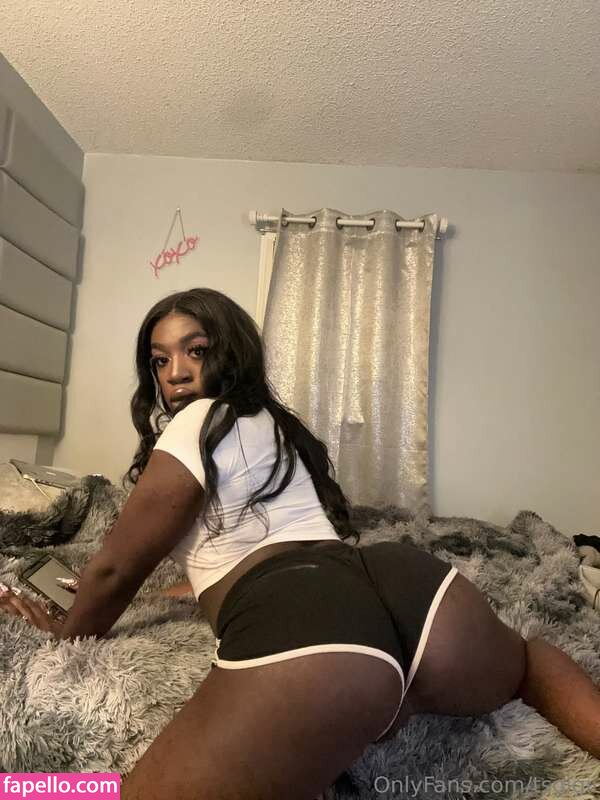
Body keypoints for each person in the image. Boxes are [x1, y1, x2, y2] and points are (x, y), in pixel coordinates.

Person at [1, 287, 598, 800]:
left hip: (311, 625)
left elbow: (112, 570)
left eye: (195, 351)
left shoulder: (194, 422)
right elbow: (248, 546)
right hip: (408, 588)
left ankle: (15, 787)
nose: (175, 372)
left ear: (231, 353)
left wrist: (69, 631)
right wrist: (174, 596)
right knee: (526, 661)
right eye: (160, 360)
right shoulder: (273, 426)